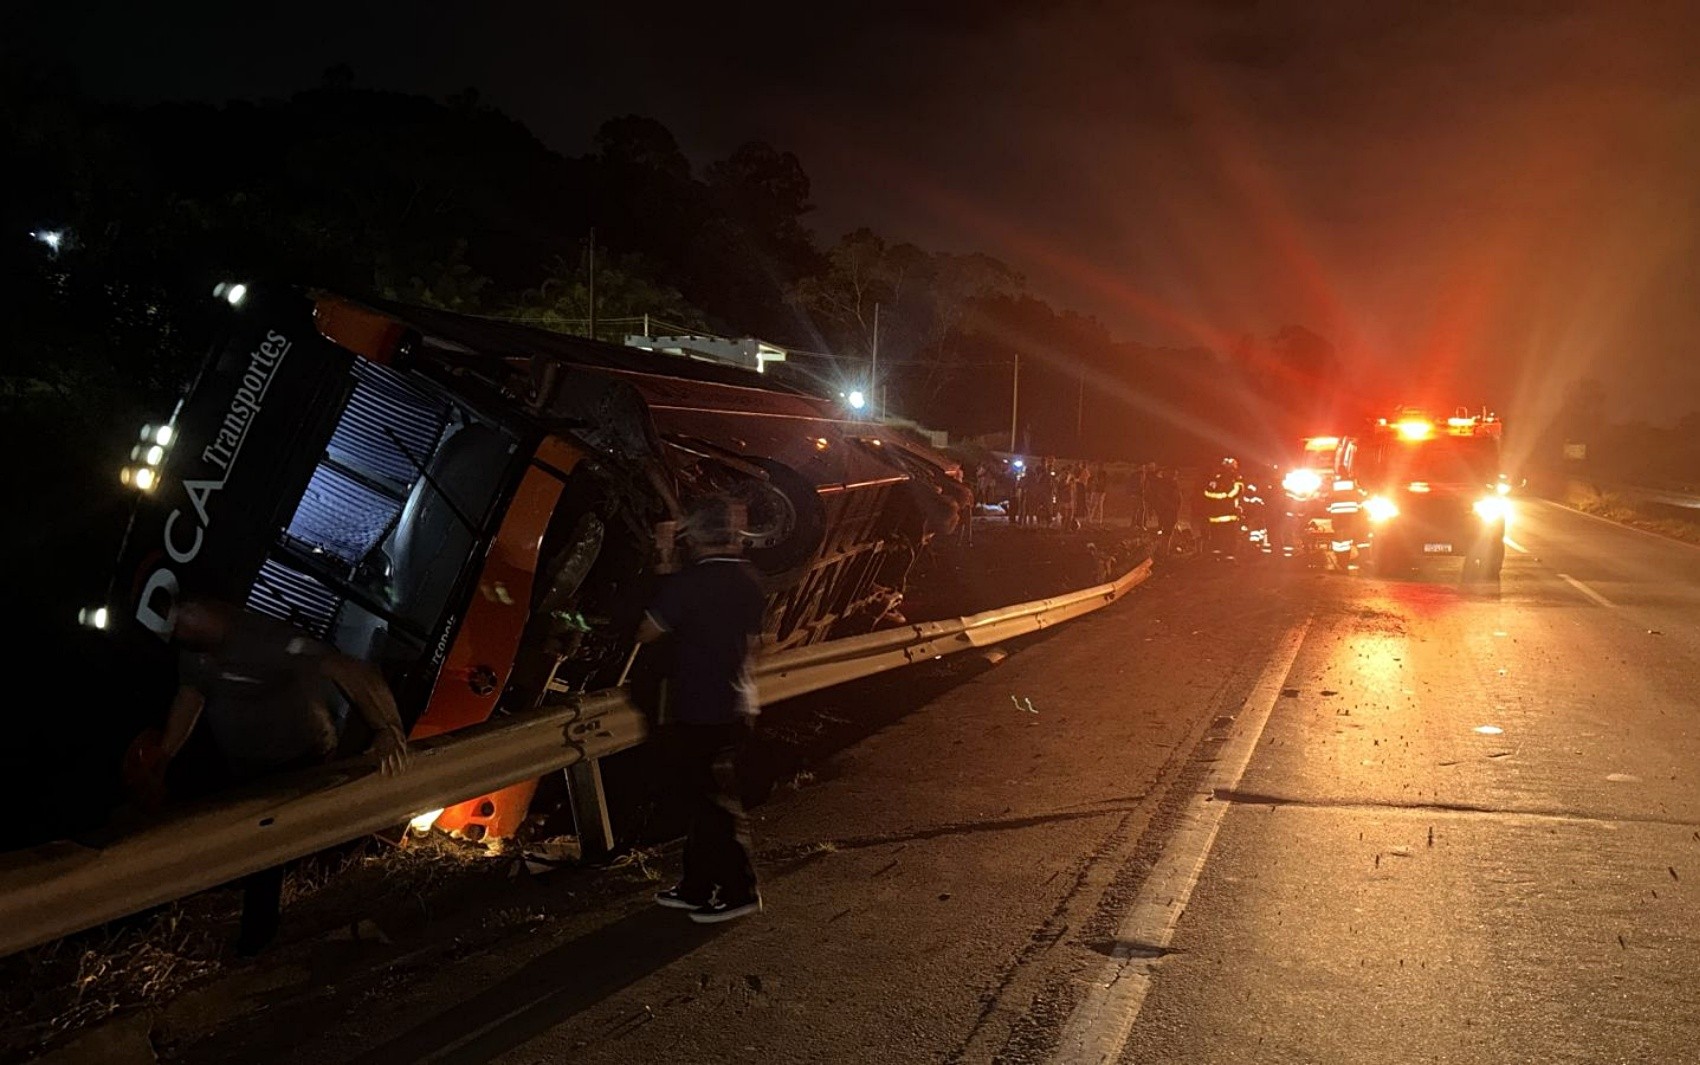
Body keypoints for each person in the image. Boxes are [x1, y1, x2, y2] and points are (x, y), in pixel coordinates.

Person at [145, 600, 411, 954]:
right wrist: (164, 756)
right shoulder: (194, 653)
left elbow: (350, 670)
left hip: (296, 762)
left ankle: (256, 942)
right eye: (177, 625)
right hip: (245, 766)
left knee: (266, 850)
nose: (181, 629)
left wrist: (387, 728)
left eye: (189, 619)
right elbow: (190, 695)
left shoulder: (268, 639)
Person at [637, 496, 766, 923]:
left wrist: (663, 562)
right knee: (704, 798)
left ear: (696, 536)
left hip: (699, 706)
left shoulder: (689, 583)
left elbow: (648, 631)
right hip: (739, 701)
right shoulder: (750, 579)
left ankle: (740, 890)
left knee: (712, 804)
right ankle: (695, 887)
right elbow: (752, 644)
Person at [1152, 466, 1183, 547]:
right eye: (1174, 474)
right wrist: (1171, 506)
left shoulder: (1172, 484)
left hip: (1171, 511)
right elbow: (1161, 497)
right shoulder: (1166, 485)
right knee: (1167, 532)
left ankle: (1164, 549)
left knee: (1168, 532)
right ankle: (1163, 551)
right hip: (1168, 511)